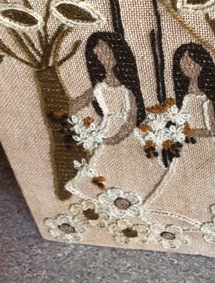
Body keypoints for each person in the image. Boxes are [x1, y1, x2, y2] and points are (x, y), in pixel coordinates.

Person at [144, 42, 215, 225]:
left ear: (202, 64)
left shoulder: (207, 97)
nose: (187, 68)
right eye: (183, 64)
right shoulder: (183, 95)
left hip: (203, 146)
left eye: (191, 63)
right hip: (186, 145)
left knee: (207, 175)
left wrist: (189, 132)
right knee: (183, 177)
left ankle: (210, 210)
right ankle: (184, 209)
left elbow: (212, 130)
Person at [66, 32, 163, 199]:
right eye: (98, 53)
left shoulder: (127, 89)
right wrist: (67, 115)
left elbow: (131, 117)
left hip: (124, 131)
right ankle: (113, 196)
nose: (103, 57)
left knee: (131, 163)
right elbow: (78, 103)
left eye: (106, 51)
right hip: (107, 128)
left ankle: (133, 194)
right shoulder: (99, 87)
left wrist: (118, 136)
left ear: (117, 52)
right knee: (105, 164)